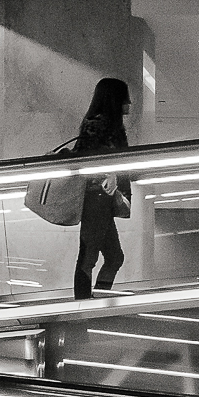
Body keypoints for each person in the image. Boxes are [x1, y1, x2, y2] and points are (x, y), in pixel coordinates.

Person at [73, 77, 132, 299]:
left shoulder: (106, 123)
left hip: (103, 197)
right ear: (115, 99)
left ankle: (96, 301)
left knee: (114, 257)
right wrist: (112, 173)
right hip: (96, 196)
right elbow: (87, 160)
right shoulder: (98, 124)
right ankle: (84, 307)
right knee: (88, 257)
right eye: (125, 97)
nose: (129, 103)